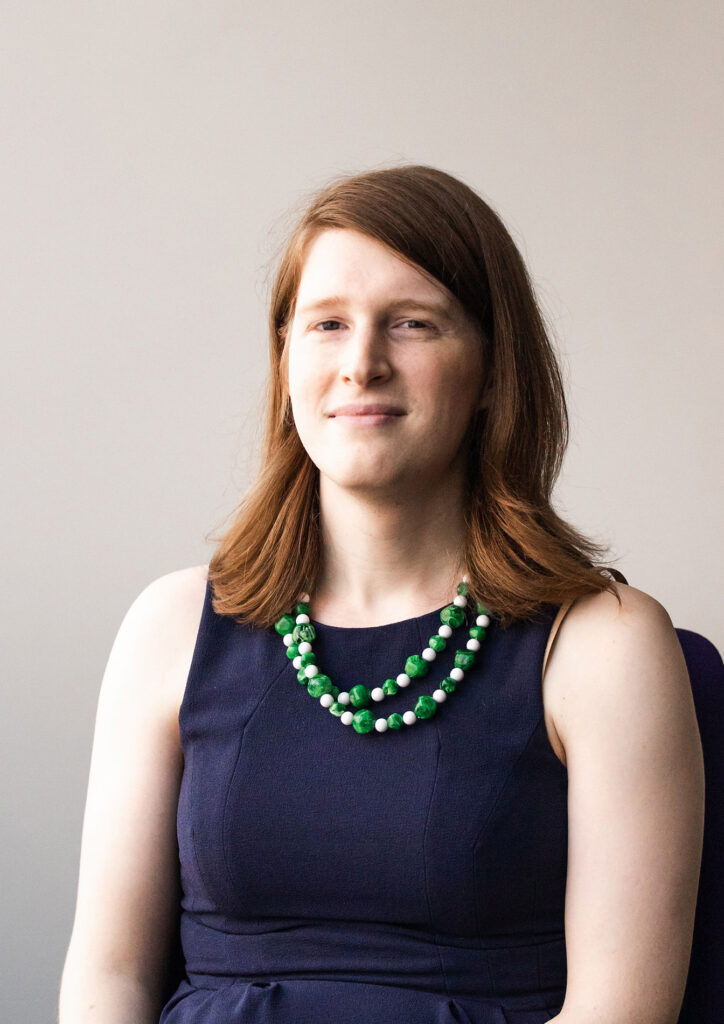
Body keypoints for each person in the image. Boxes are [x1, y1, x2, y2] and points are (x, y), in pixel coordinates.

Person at [59, 164, 705, 1024]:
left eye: (411, 324)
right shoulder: (169, 628)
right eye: (326, 323)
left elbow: (620, 1013)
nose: (361, 364)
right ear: (286, 358)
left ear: (491, 371)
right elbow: (108, 981)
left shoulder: (605, 644)